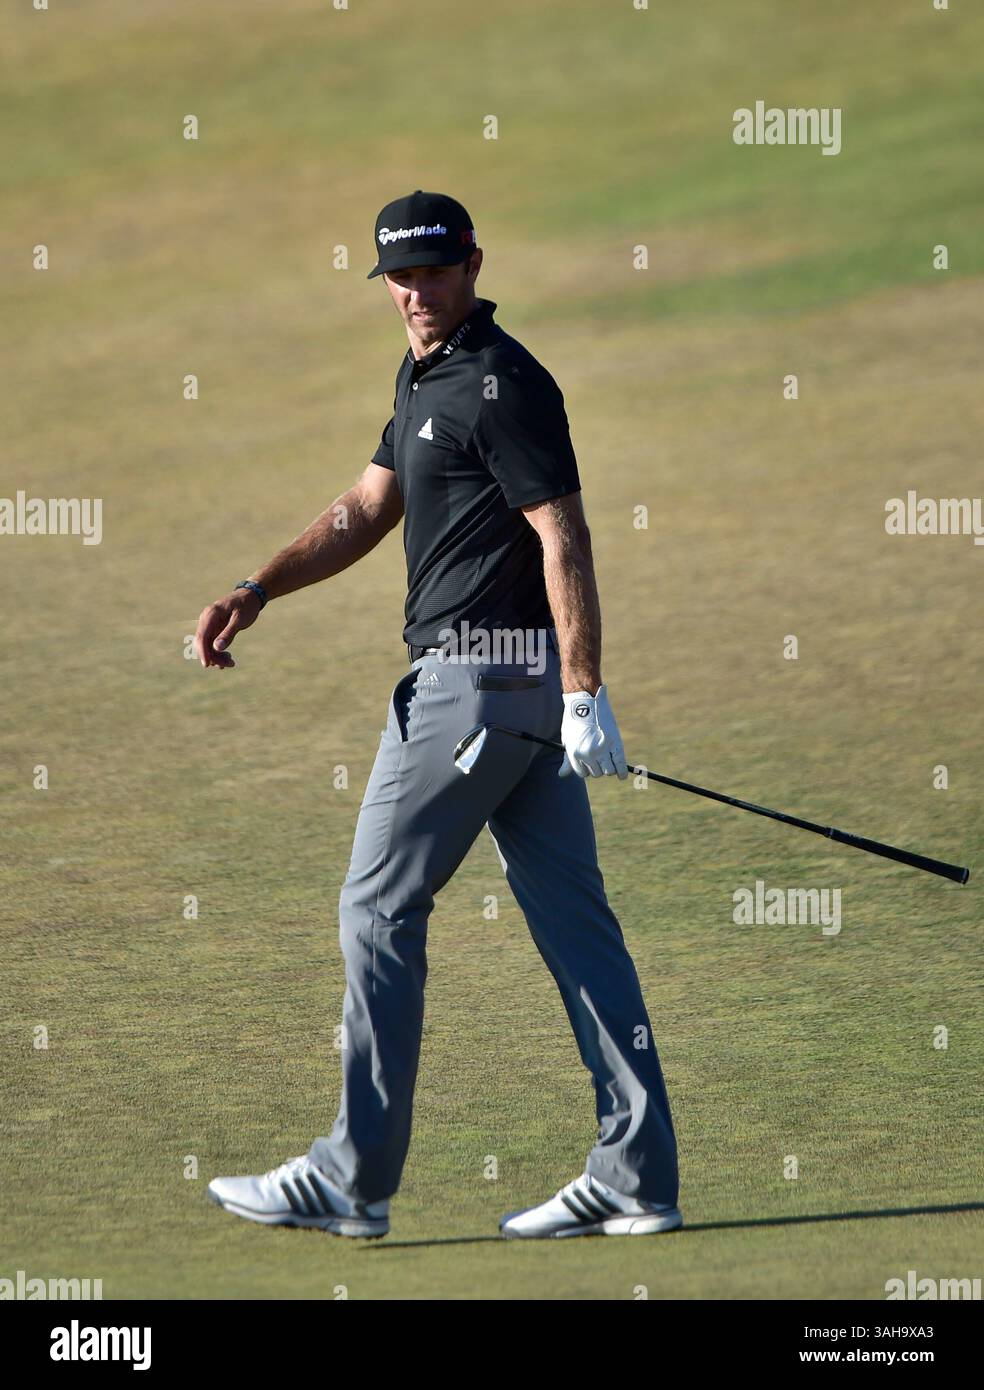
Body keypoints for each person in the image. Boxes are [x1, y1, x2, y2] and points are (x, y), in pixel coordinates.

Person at [198, 191, 681, 1240]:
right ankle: (637, 1172)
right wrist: (260, 586)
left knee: (376, 909)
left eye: (431, 273)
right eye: (398, 279)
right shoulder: (427, 379)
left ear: (471, 264)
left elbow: (565, 535)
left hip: (476, 687)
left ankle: (352, 1177)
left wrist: (587, 688)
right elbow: (366, 508)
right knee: (577, 925)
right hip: (515, 701)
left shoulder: (504, 383)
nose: (415, 294)